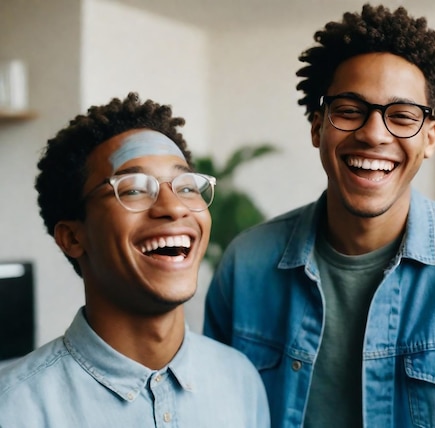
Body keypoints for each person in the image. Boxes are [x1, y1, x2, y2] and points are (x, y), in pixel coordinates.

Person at [203, 4, 435, 427]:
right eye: (350, 110)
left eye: (402, 116)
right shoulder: (246, 266)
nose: (373, 133)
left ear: (429, 139)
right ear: (318, 127)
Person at [0, 93, 270, 427]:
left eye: (186, 187)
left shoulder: (241, 380)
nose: (174, 207)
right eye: (133, 189)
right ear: (72, 237)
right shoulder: (14, 407)